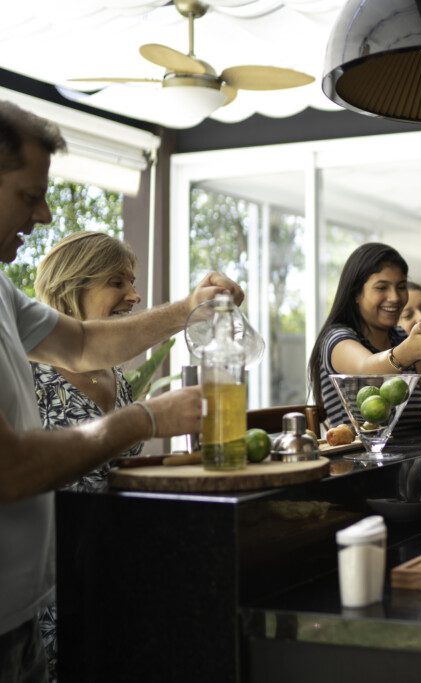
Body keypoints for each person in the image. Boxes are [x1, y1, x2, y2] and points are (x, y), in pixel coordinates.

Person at [0, 100, 244, 681]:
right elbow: (6, 467)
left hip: (23, 615)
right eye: (28, 195)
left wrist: (189, 309)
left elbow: (83, 343)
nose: (43, 214)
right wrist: (146, 420)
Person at [29, 231, 147, 680]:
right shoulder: (27, 369)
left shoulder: (114, 370)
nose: (134, 296)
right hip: (46, 582)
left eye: (132, 282)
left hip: (107, 570)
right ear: (72, 286)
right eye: (117, 283)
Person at [308, 243, 421, 438]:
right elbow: (365, 369)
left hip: (413, 461)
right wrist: (408, 351)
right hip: (361, 464)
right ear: (356, 293)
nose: (395, 297)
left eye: (401, 287)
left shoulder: (400, 337)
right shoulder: (336, 338)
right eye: (382, 287)